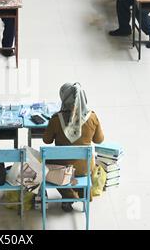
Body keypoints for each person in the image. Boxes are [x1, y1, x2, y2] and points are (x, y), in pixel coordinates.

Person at [43, 83, 104, 212]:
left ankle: (69, 196)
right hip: (85, 168)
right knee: (80, 166)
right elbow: (99, 140)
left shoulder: (55, 120)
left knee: (47, 166)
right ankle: (84, 193)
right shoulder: (92, 117)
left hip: (62, 170)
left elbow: (46, 140)